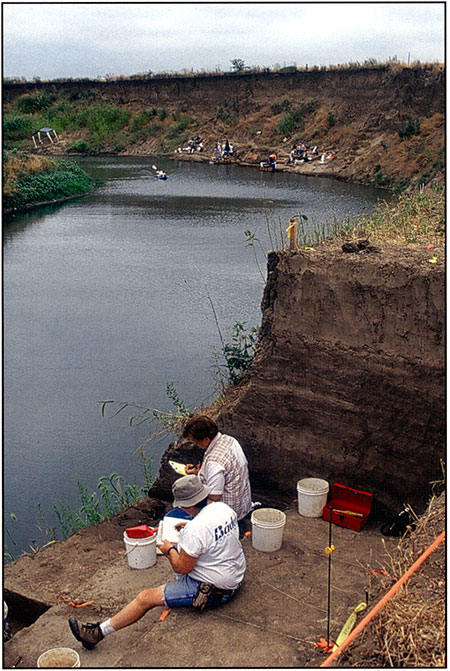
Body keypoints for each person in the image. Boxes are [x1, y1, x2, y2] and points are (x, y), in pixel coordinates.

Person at [68, 476, 245, 650]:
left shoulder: (196, 529)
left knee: (145, 598)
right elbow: (213, 534)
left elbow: (182, 568)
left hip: (217, 591)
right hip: (234, 574)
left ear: (189, 505)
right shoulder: (223, 509)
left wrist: (168, 549)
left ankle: (97, 633)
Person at [183, 415, 252, 535]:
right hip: (242, 503)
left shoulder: (215, 461)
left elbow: (214, 495)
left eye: (196, 441)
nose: (195, 444)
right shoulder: (229, 440)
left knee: (187, 505)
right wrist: (199, 472)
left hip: (229, 510)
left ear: (206, 439)